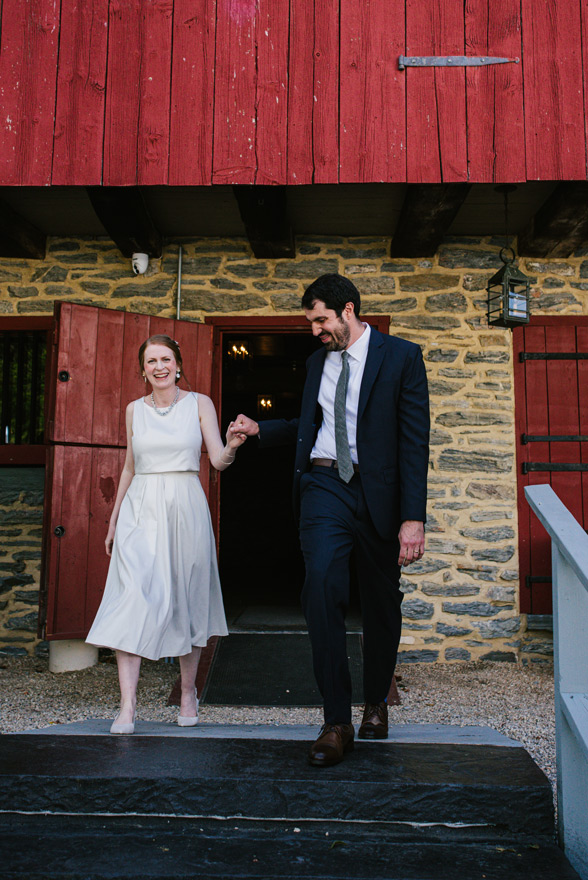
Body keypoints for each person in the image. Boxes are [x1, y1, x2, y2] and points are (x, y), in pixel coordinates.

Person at [231, 274, 429, 767]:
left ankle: (376, 703)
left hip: (379, 494)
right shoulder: (318, 362)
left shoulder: (402, 357)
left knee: (381, 603)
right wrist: (261, 429)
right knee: (320, 585)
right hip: (324, 484)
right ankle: (336, 720)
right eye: (311, 322)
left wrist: (413, 518)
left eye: (321, 320)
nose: (315, 330)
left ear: (348, 310)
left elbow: (414, 441)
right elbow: (312, 426)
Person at [86, 334, 246, 734]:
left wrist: (231, 444)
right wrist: (114, 519)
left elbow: (218, 461)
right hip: (140, 508)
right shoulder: (133, 410)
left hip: (185, 504)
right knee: (130, 598)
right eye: (151, 361)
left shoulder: (199, 404)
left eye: (166, 359)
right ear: (143, 369)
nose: (159, 367)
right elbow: (129, 466)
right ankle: (127, 705)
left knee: (189, 596)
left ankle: (188, 693)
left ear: (178, 365)